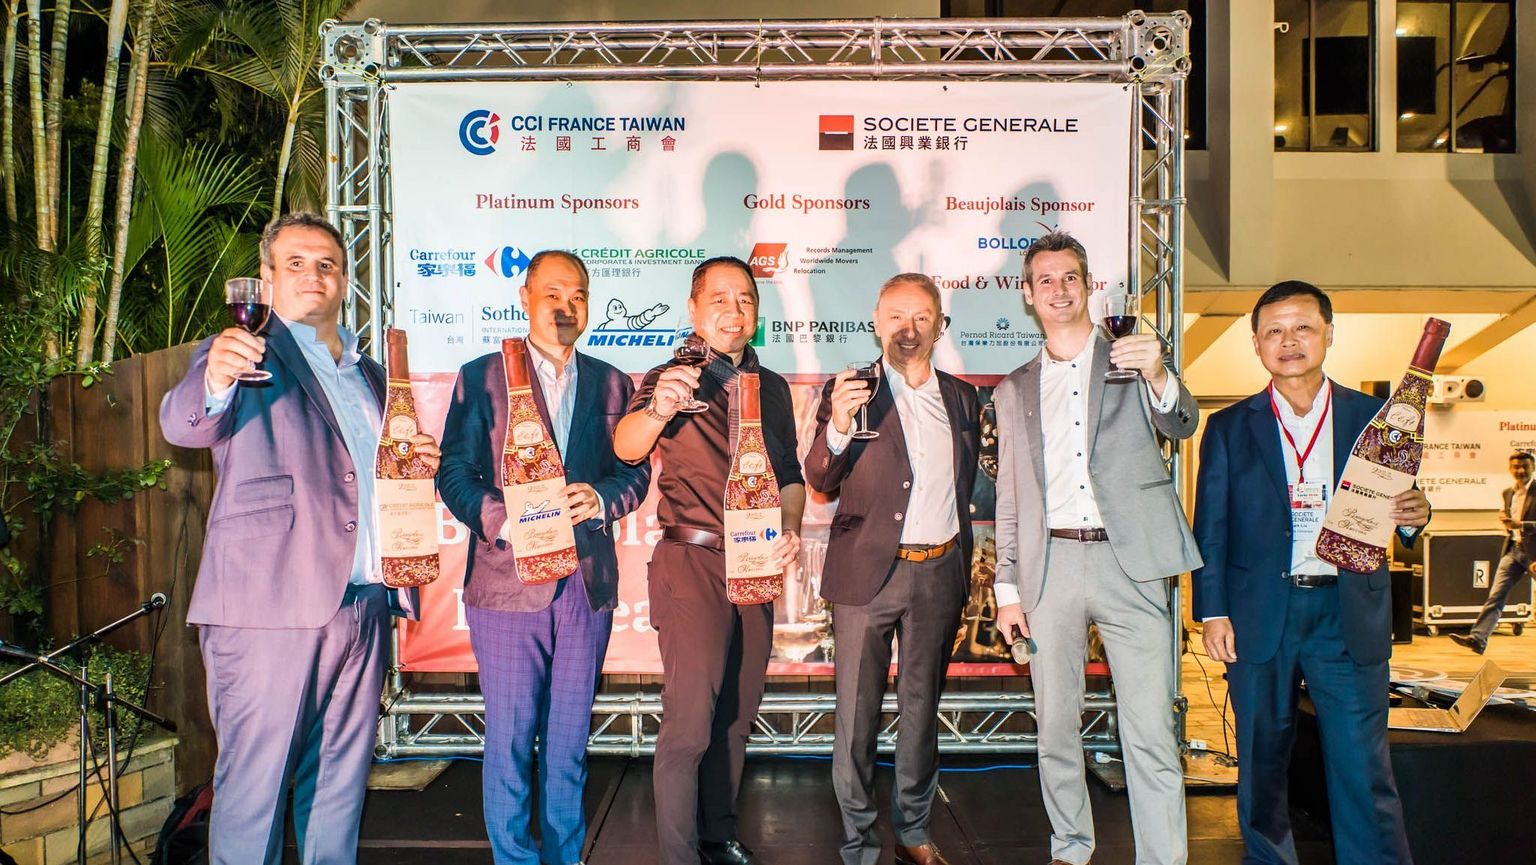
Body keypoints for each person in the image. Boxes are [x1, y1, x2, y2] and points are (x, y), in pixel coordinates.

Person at [159, 212, 440, 864]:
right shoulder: (243, 351)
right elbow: (183, 422)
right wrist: (215, 378)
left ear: (343, 279)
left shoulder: (372, 376)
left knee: (339, 789)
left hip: (365, 603)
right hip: (267, 607)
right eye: (295, 263)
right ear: (265, 278)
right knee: (253, 791)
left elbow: (359, 477)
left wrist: (411, 463)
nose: (314, 275)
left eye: (327, 264)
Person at [1192, 280, 1431, 865]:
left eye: (1302, 326)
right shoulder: (1228, 427)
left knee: (1362, 767)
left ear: (1328, 333)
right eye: (1273, 331)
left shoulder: (1375, 418)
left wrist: (1416, 516)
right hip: (1258, 615)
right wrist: (1212, 611)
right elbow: (1211, 528)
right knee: (1261, 764)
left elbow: (1401, 504)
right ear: (1256, 344)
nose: (1289, 341)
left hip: (1346, 611)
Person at [436, 250, 652, 864]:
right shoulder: (482, 377)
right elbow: (454, 472)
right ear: (525, 297)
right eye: (553, 292)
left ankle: (564, 856)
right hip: (506, 587)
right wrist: (507, 522)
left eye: (577, 295)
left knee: (568, 744)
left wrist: (602, 498)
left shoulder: (613, 382)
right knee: (508, 741)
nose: (566, 305)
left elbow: (634, 473)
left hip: (585, 587)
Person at [991, 231, 1199, 865]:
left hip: (1130, 564)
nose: (1058, 290)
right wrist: (1006, 588)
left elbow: (1182, 422)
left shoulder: (1134, 358)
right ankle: (1071, 848)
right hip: (1048, 568)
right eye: (1045, 280)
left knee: (1150, 729)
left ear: (1088, 286)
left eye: (1070, 277)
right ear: (1028, 295)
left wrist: (1159, 373)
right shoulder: (1012, 389)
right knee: (1056, 728)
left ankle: (1162, 858)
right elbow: (1009, 497)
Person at [612, 256, 804, 865]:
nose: (734, 310)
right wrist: (659, 409)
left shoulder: (773, 387)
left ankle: (718, 837)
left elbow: (790, 475)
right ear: (694, 308)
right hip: (692, 560)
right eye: (719, 299)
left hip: (756, 562)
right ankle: (680, 855)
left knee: (738, 715)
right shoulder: (673, 377)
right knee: (691, 723)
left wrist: (791, 527)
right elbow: (626, 447)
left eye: (745, 299)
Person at [804, 274, 981, 865]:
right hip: (865, 576)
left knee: (922, 711)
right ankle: (858, 842)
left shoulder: (962, 397)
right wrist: (837, 425)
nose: (910, 329)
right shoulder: (850, 390)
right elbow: (820, 478)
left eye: (922, 316)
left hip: (939, 572)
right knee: (856, 718)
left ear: (940, 326)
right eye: (897, 316)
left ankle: (913, 832)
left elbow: (966, 484)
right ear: (876, 323)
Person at [1451, 450, 1535, 654]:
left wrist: (1521, 525)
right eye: (1516, 467)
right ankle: (1478, 638)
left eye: (1524, 466)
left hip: (1534, 553)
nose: (1520, 470)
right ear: (1510, 469)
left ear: (1532, 467)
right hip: (1514, 550)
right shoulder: (1508, 493)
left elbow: (1524, 523)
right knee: (1496, 595)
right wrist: (1508, 522)